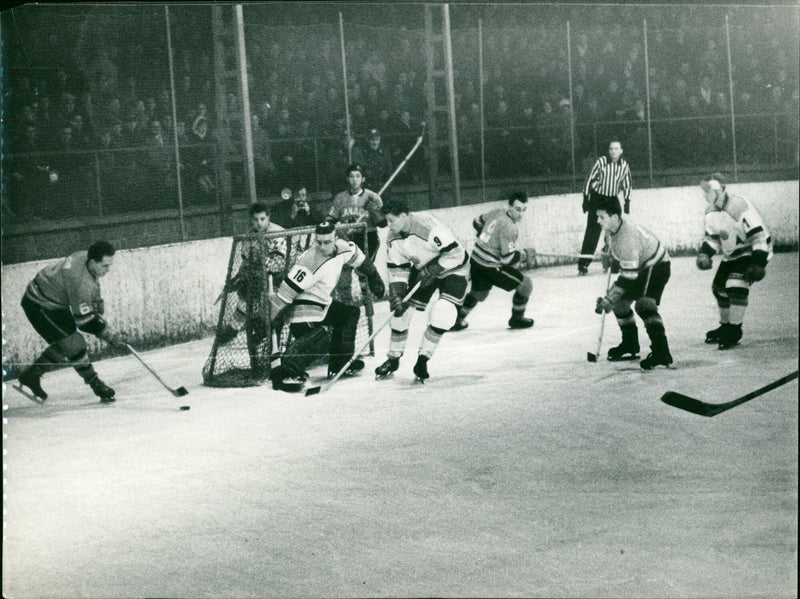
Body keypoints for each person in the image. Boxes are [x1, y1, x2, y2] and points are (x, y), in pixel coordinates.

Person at [268, 222, 385, 391]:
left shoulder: (344, 248)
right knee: (324, 337)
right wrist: (273, 318)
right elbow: (285, 293)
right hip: (300, 309)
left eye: (327, 242)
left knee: (350, 313)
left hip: (321, 303)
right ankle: (290, 363)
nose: (323, 246)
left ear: (336, 239)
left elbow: (359, 258)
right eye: (319, 242)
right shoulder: (309, 263)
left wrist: (374, 277)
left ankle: (340, 364)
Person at [16, 241, 128, 402]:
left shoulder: (85, 256)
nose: (108, 270)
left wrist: (96, 300)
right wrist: (112, 337)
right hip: (38, 304)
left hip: (53, 300)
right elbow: (85, 322)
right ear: (93, 261)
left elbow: (91, 282)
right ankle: (95, 383)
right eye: (104, 266)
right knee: (74, 344)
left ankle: (32, 375)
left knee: (65, 342)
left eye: (109, 265)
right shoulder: (79, 282)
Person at [374, 198, 470, 383]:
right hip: (423, 270)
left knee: (443, 312)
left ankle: (423, 359)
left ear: (404, 216)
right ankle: (393, 359)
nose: (389, 226)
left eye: (391, 221)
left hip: (454, 268)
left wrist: (434, 270)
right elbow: (398, 268)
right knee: (400, 311)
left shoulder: (430, 228)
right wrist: (398, 292)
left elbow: (459, 254)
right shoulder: (393, 236)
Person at [594, 195, 673, 370]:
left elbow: (629, 277)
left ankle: (662, 352)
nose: (598, 221)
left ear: (614, 217)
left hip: (657, 265)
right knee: (621, 304)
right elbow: (621, 256)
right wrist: (610, 255)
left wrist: (609, 299)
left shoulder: (626, 237)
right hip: (641, 265)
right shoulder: (615, 225)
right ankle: (630, 344)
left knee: (644, 305)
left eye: (601, 217)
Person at [695, 173, 772, 349]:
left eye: (707, 191)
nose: (704, 195)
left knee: (735, 285)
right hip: (734, 253)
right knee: (719, 288)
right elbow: (713, 238)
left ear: (718, 190)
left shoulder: (739, 205)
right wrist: (705, 254)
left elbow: (759, 237)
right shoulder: (711, 212)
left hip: (754, 249)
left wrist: (758, 263)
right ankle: (726, 326)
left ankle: (735, 330)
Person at [452, 191, 534, 331]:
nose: (520, 214)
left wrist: (486, 237)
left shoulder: (497, 212)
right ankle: (517, 319)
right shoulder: (510, 227)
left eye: (523, 210)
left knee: (479, 294)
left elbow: (477, 222)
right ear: (509, 206)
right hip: (490, 266)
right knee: (526, 285)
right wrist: (524, 254)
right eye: (517, 209)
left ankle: (455, 320)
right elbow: (507, 259)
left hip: (476, 260)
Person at [217, 202, 287, 345]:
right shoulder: (249, 237)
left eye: (262, 219)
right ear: (251, 220)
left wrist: (258, 267)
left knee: (272, 309)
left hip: (281, 278)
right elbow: (246, 262)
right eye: (256, 220)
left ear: (268, 218)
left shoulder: (277, 233)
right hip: (260, 278)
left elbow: (280, 263)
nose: (259, 223)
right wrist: (239, 277)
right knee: (246, 292)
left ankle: (264, 332)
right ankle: (235, 328)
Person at [327, 163, 386, 303]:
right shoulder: (340, 198)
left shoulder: (372, 197)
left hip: (367, 237)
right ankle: (347, 301)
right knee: (345, 270)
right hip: (348, 238)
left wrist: (374, 211)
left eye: (358, 176)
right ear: (347, 179)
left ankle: (367, 299)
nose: (355, 179)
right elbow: (331, 219)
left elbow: (383, 224)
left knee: (363, 270)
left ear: (363, 179)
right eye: (351, 176)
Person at [579, 140, 632, 275]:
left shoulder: (624, 166)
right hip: (598, 198)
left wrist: (627, 202)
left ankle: (614, 260)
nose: (613, 151)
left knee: (617, 229)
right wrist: (586, 199)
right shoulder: (602, 162)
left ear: (621, 151)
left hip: (612, 199)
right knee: (593, 230)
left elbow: (627, 184)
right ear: (609, 151)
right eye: (611, 149)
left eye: (616, 149)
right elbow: (589, 180)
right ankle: (583, 264)